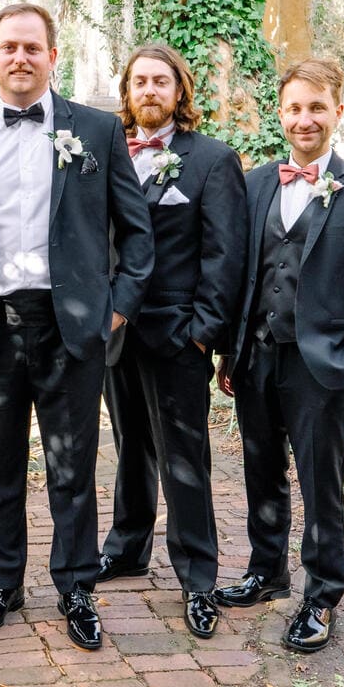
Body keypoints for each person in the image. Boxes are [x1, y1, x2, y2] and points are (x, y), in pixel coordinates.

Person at [0, 3, 154, 651]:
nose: (20, 57)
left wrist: (118, 307)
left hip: (72, 324)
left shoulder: (99, 132)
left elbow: (137, 233)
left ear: (53, 57)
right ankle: (2, 586)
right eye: (8, 47)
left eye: (32, 47)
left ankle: (76, 589)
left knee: (72, 465)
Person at [213, 58, 344, 653]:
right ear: (281, 112)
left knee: (322, 483)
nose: (305, 119)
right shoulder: (256, 182)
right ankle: (267, 573)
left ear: (338, 112)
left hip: (322, 365)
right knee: (260, 469)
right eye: (294, 107)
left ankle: (322, 596)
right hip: (256, 356)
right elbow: (244, 273)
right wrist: (230, 352)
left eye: (317, 107)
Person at [95, 45, 247, 639]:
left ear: (179, 92)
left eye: (161, 81)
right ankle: (127, 547)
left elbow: (224, 253)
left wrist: (202, 332)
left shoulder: (211, 160)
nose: (150, 91)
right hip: (115, 333)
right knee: (130, 443)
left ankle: (197, 578)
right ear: (127, 93)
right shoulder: (106, 155)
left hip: (176, 334)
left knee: (185, 458)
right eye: (139, 82)